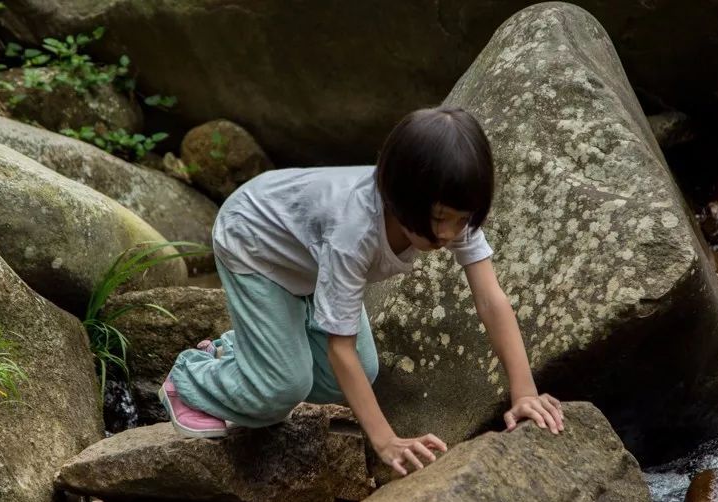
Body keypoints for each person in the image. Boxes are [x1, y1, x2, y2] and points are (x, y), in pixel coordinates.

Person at [159, 106, 563, 476]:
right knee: (282, 389)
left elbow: (490, 300)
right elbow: (340, 348)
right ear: (399, 195)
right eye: (440, 218)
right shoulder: (355, 229)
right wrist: (385, 440)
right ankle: (190, 379)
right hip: (254, 242)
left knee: (357, 376)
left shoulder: (449, 209)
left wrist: (523, 392)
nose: (448, 234)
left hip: (309, 262)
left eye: (462, 220)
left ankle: (246, 350)